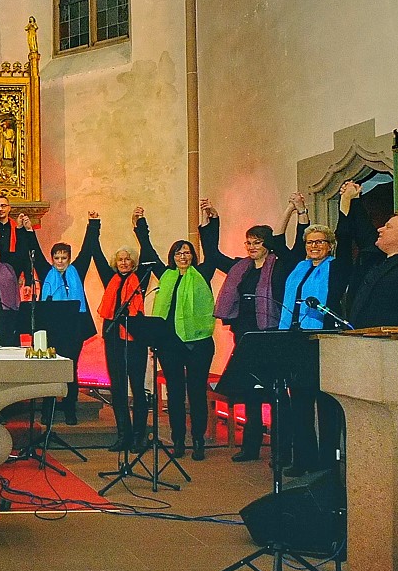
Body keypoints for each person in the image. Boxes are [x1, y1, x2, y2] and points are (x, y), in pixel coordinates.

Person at [201, 198, 293, 464]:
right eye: (249, 242)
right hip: (245, 335)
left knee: (276, 393)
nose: (252, 247)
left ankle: (280, 450)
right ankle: (250, 447)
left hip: (271, 335)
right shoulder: (240, 267)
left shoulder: (279, 266)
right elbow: (213, 254)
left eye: (257, 242)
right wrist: (213, 220)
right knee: (251, 392)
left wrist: (288, 211)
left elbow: (280, 238)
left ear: (267, 245)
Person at [273, 200, 354, 476]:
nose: (314, 246)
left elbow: (346, 236)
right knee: (301, 404)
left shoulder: (337, 266)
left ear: (330, 245)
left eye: (320, 242)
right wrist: (295, 212)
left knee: (326, 404)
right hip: (296, 340)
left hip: (323, 339)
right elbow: (279, 242)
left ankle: (327, 462)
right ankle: (303, 459)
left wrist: (346, 205)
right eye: (310, 242)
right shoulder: (298, 267)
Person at [133, 205, 217, 460]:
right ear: (173, 256)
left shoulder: (202, 273)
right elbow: (148, 250)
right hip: (169, 343)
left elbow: (212, 251)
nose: (183, 256)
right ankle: (179, 440)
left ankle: (198, 440)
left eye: (187, 252)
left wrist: (210, 222)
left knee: (196, 392)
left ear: (193, 256)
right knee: (176, 394)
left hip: (198, 342)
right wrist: (140, 224)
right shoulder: (166, 275)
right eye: (179, 253)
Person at [81, 212, 151, 453]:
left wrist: (140, 225)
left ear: (133, 263)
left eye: (127, 259)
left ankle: (140, 437)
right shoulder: (109, 277)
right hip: (113, 339)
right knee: (118, 388)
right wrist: (94, 225)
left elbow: (149, 253)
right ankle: (124, 435)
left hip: (135, 340)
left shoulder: (140, 279)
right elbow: (96, 253)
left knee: (138, 387)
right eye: (120, 259)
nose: (123, 263)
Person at [22, 213, 97, 426]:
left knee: (70, 369)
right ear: (52, 259)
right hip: (52, 330)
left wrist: (93, 224)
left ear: (69, 259)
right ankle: (48, 409)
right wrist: (29, 230)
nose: (60, 262)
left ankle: (69, 408)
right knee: (51, 368)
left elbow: (88, 250)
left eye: (64, 258)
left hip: (74, 329)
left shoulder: (77, 271)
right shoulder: (46, 272)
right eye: (57, 258)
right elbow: (33, 249)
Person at [337, 179, 398, 328]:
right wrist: (352, 199)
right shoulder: (378, 260)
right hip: (359, 342)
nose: (380, 229)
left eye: (388, 227)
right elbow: (362, 230)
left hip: (388, 347)